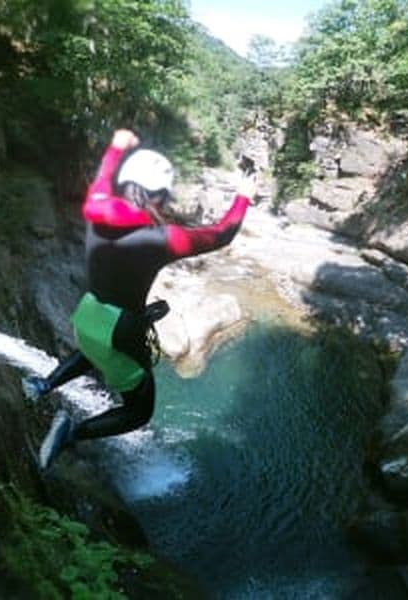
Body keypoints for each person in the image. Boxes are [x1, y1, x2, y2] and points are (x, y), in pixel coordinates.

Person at [24, 128, 255, 469]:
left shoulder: (96, 207)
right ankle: (71, 432)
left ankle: (43, 384)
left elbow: (104, 176)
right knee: (138, 411)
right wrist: (244, 196)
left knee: (93, 350)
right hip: (121, 330)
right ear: (160, 196)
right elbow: (221, 234)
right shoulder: (161, 239)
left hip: (88, 315)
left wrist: (117, 147)